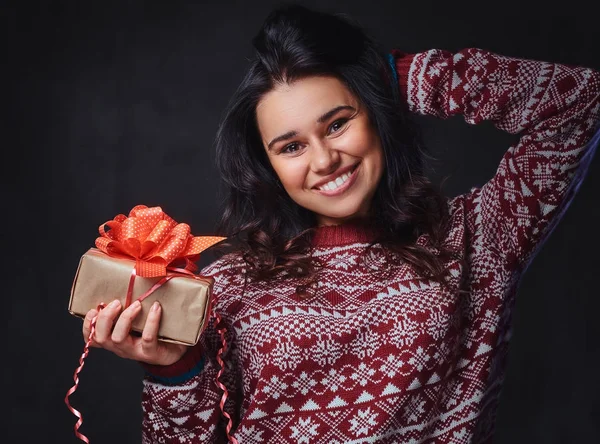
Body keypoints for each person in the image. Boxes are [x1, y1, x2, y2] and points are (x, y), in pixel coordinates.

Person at [82, 4, 600, 443]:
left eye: (337, 122)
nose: (325, 159)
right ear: (268, 166)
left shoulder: (478, 238)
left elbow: (581, 103)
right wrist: (174, 371)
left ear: (377, 113)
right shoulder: (227, 284)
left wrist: (393, 76)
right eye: (291, 146)